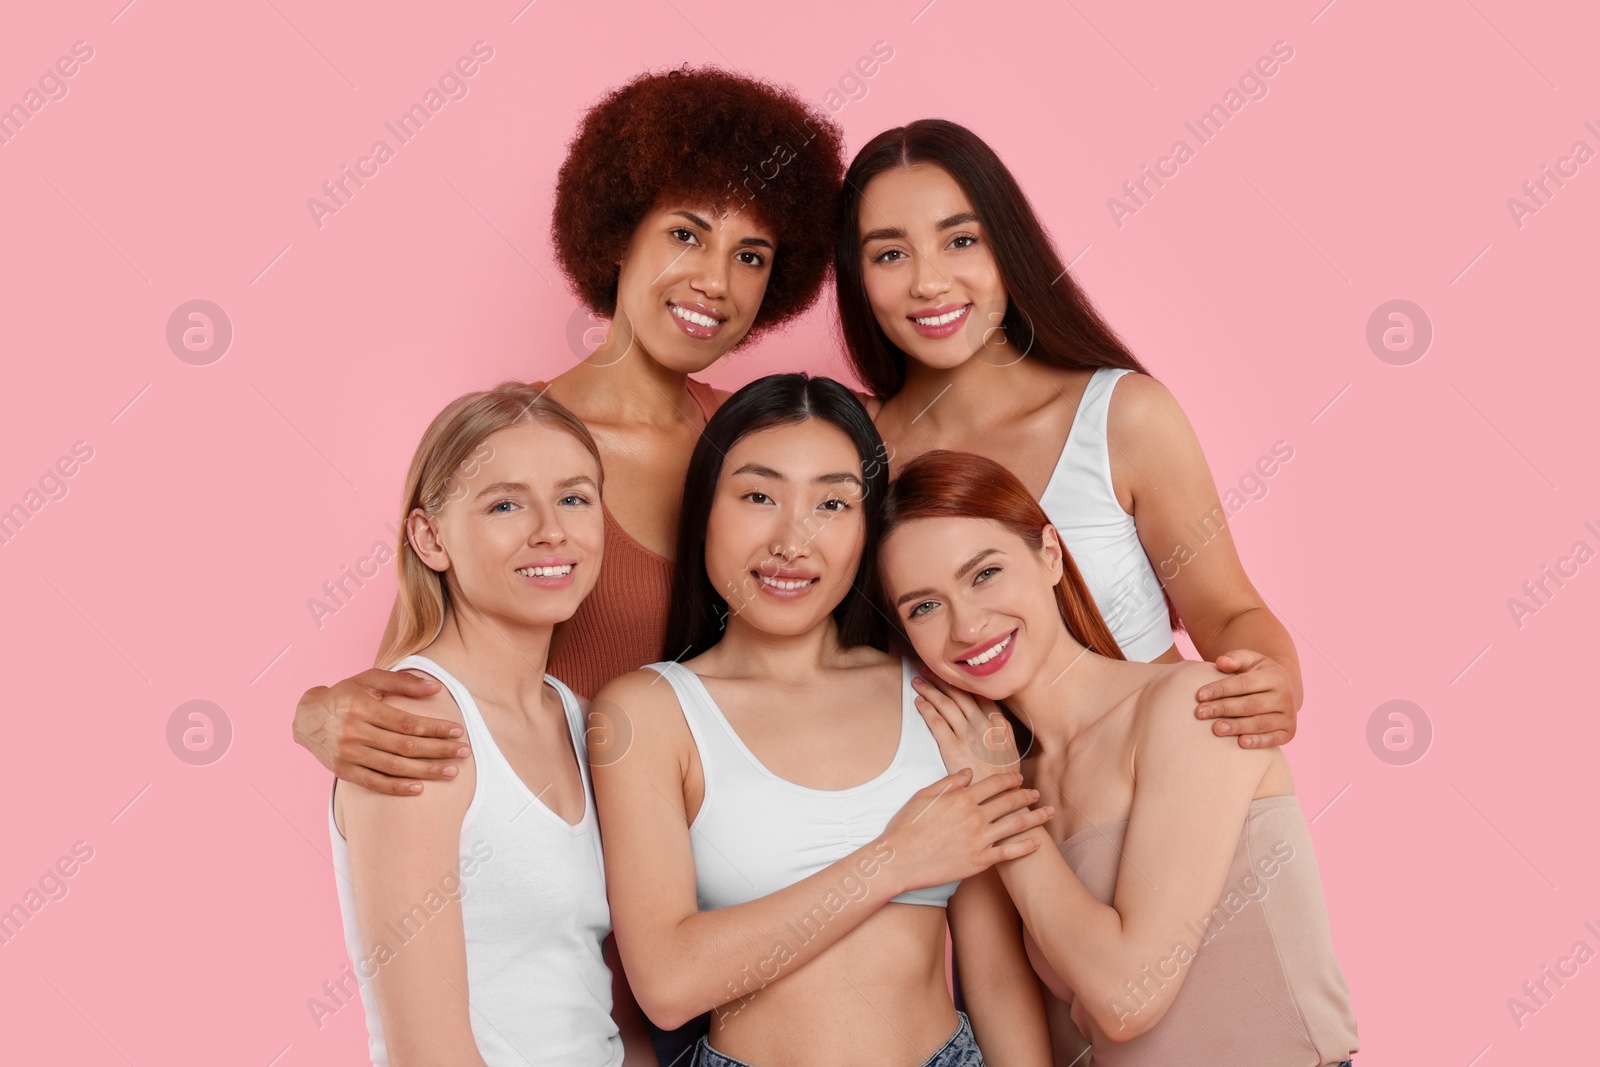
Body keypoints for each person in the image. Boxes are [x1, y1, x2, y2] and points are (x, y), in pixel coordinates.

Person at [590, 374, 1056, 1067]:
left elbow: (994, 976)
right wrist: (895, 860)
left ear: (868, 526)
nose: (793, 539)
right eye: (758, 495)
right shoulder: (647, 713)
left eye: (833, 502)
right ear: (704, 511)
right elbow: (668, 982)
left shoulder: (937, 693)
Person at [876, 449, 1358, 1066]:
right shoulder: (998, 782)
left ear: (1049, 553)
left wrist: (998, 795)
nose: (967, 625)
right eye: (924, 606)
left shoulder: (1192, 706)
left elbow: (1127, 998)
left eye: (984, 574)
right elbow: (1021, 1007)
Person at [839, 118, 1304, 749]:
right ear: (857, 277)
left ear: (1007, 243)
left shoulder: (1122, 417)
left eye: (961, 240)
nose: (928, 282)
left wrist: (1272, 681)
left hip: (1164, 785)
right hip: (999, 826)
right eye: (890, 253)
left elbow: (1228, 612)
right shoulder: (850, 456)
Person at [328, 381, 655, 1065]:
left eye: (574, 497)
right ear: (429, 536)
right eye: (505, 503)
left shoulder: (577, 718)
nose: (551, 530)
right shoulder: (411, 727)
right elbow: (430, 1052)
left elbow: (603, 1004)